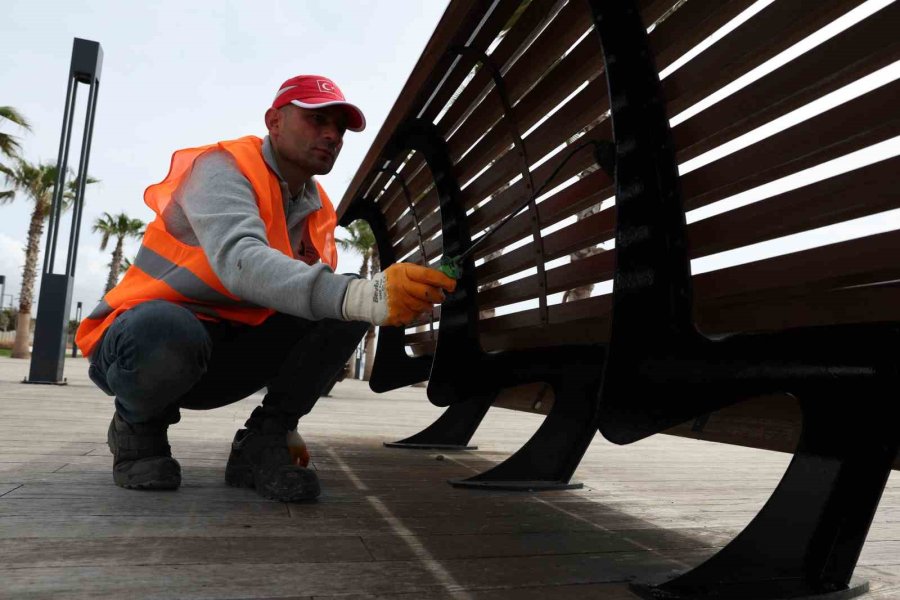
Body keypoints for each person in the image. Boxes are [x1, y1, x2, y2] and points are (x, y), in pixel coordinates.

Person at [75, 75, 456, 502]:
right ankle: (137, 430)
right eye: (317, 120)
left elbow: (309, 305)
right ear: (274, 121)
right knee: (170, 329)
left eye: (340, 128)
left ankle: (265, 439)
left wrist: (289, 420)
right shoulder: (221, 168)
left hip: (225, 354)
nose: (332, 135)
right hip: (146, 342)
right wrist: (365, 296)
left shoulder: (318, 210)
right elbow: (242, 260)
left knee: (342, 305)